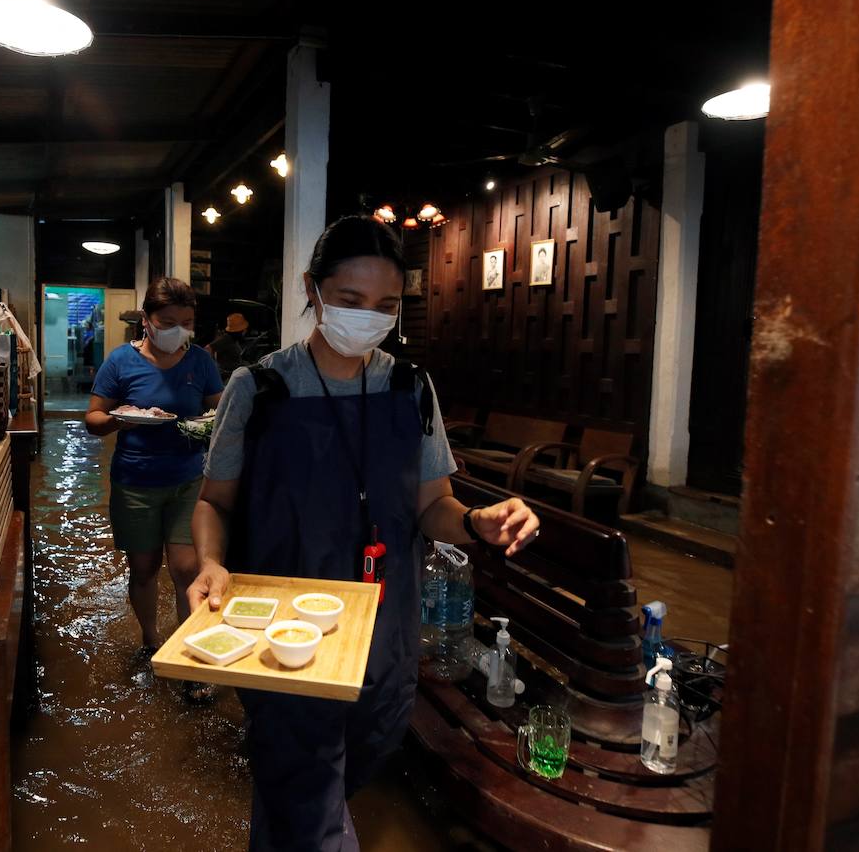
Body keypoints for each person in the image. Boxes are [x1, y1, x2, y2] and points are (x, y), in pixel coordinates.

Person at [188, 215, 540, 850]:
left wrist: (475, 523)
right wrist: (211, 562)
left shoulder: (410, 388)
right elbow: (214, 502)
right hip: (282, 625)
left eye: (386, 305)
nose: (368, 317)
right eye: (350, 299)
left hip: (383, 624)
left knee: (343, 766)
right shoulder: (260, 388)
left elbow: (435, 506)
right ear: (312, 288)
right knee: (305, 789)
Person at [86, 277, 224, 701]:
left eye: (187, 323)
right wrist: (120, 419)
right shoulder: (120, 362)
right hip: (136, 482)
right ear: (146, 320)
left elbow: (219, 411)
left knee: (186, 569)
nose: (178, 330)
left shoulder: (201, 362)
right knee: (144, 569)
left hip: (188, 480)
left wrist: (212, 424)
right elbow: (93, 419)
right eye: (168, 322)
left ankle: (190, 654)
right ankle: (150, 641)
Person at [206, 312, 249, 383]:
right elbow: (208, 348)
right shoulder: (226, 339)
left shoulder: (234, 340)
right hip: (227, 378)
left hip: (235, 374)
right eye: (244, 329)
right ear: (239, 331)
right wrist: (214, 368)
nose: (245, 331)